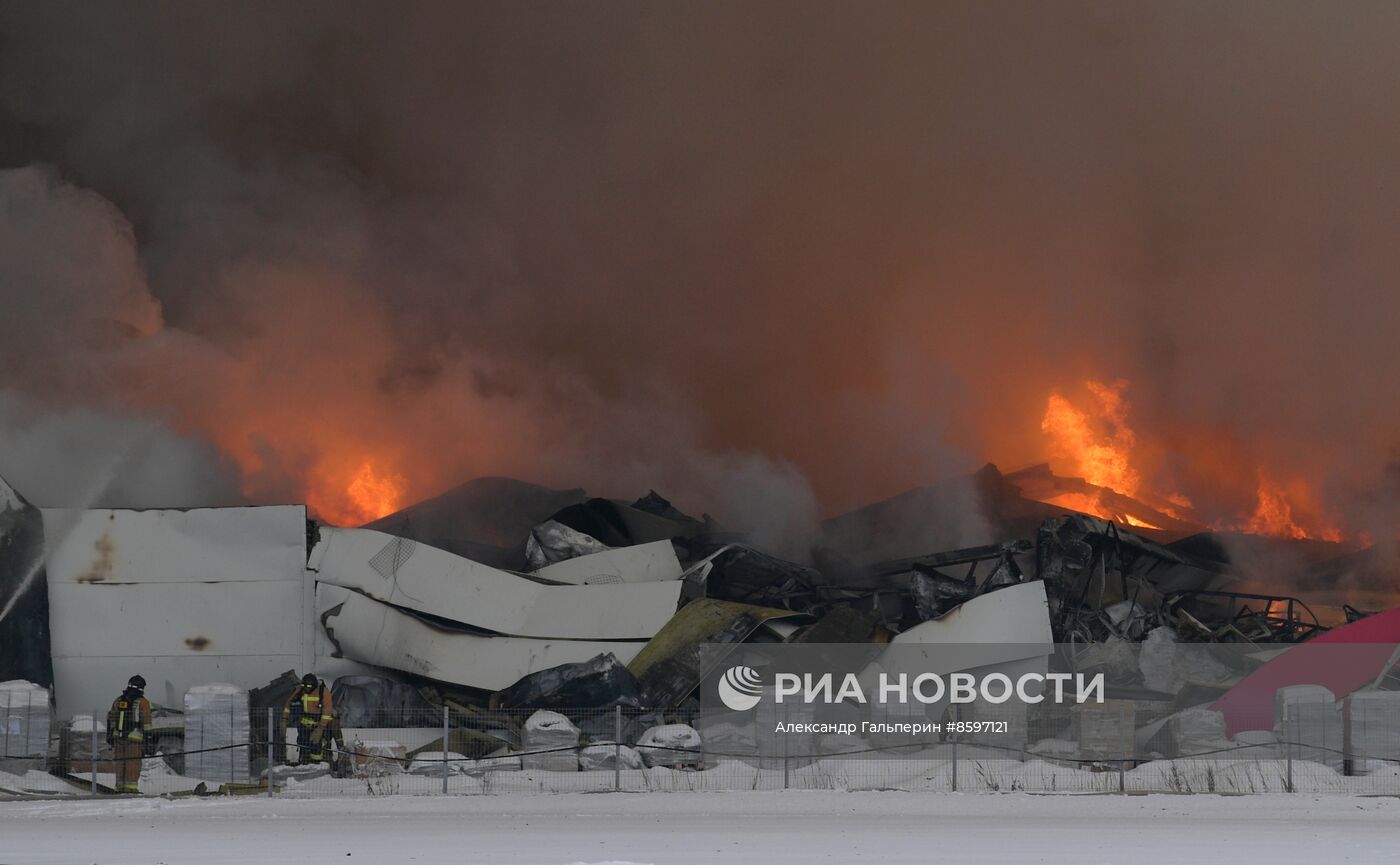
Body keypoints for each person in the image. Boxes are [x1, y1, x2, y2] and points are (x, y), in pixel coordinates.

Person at [105, 675, 151, 794]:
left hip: (118, 738)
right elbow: (146, 723)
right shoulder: (143, 703)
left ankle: (119, 787)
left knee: (121, 762)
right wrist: (148, 739)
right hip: (134, 739)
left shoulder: (119, 700)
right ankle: (131, 788)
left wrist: (109, 735)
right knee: (133, 762)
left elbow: (110, 718)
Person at [282, 673, 335, 764]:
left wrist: (320, 728)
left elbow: (327, 710)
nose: (306, 688)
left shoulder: (323, 691)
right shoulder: (299, 690)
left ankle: (318, 763)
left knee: (317, 745)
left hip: (319, 724)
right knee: (304, 743)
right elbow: (288, 705)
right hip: (304, 724)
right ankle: (305, 763)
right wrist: (284, 719)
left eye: (309, 686)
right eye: (304, 686)